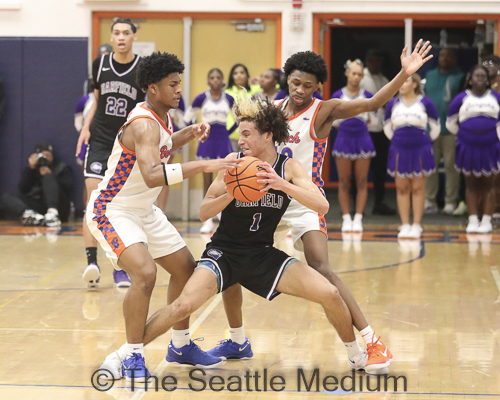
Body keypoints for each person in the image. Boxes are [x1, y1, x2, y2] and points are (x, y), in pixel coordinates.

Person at [102, 96, 378, 380]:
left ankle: (356, 355)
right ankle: (124, 353)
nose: (241, 140)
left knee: (330, 294)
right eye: (240, 134)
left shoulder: (288, 168)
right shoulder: (233, 164)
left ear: (268, 135)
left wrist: (281, 184)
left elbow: (322, 206)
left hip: (263, 254)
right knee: (182, 306)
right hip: (224, 253)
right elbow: (202, 212)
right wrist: (229, 195)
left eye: (247, 134)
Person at [209, 41, 433, 375]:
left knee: (321, 267)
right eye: (296, 82)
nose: (300, 90)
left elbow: (372, 102)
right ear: (287, 78)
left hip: (301, 200)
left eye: (308, 85)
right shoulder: (270, 109)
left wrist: (404, 73)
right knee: (230, 252)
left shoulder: (323, 110)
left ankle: (371, 341)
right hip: (266, 195)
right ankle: (237, 339)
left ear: (318, 87)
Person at [88, 52, 241, 381]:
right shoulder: (143, 123)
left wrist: (186, 134)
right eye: (172, 85)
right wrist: (202, 164)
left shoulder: (163, 118)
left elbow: (162, 146)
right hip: (113, 209)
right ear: (152, 88)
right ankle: (132, 355)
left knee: (186, 269)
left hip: (143, 210)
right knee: (144, 274)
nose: (178, 90)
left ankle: (181, 344)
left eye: (179, 84)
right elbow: (154, 174)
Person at [76, 18, 146, 288]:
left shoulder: (142, 68)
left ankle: (121, 267)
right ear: (112, 36)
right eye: (116, 33)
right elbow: (96, 100)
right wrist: (85, 128)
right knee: (94, 201)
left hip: (125, 145)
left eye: (126, 33)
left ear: (134, 36)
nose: (121, 37)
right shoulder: (101, 64)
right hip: (100, 141)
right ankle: (92, 263)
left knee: (118, 206)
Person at [384, 73, 440, 239]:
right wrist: (398, 140)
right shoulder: (392, 103)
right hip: (399, 148)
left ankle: (416, 224)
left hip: (420, 148)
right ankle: (405, 224)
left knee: (417, 188)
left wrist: (426, 141)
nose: (402, 84)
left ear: (415, 84)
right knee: (402, 188)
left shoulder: (426, 103)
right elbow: (387, 127)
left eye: (406, 80)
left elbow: (435, 127)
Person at [446, 65, 500, 233]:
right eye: (476, 76)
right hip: (468, 146)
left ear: (487, 80)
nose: (480, 79)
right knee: (471, 185)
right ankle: (472, 220)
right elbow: (450, 124)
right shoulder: (461, 98)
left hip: (491, 147)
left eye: (483, 76)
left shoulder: (496, 97)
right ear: (470, 79)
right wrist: (465, 135)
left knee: (488, 185)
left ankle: (486, 220)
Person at [184, 68, 236, 233]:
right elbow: (187, 118)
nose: (215, 80)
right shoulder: (201, 98)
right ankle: (207, 220)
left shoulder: (229, 98)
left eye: (218, 77)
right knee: (207, 180)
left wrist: (226, 133)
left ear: (222, 80)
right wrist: (196, 132)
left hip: (222, 141)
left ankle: (221, 214)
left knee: (224, 179)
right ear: (208, 80)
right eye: (212, 77)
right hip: (207, 141)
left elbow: (237, 120)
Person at [331, 59, 377, 232]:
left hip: (363, 139)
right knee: (343, 181)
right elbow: (333, 121)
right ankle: (346, 218)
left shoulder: (368, 96)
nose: (356, 77)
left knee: (362, 181)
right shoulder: (337, 96)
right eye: (353, 73)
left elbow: (373, 120)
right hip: (343, 139)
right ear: (347, 73)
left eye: (360, 74)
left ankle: (358, 217)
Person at [423, 48, 464, 214]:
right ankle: (430, 200)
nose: (445, 58)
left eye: (449, 55)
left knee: (451, 166)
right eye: (442, 55)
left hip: (451, 130)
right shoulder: (430, 76)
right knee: (429, 166)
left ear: (455, 58)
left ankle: (450, 201)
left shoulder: (460, 77)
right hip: (430, 128)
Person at [360, 49, 396, 216]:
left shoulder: (383, 79)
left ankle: (379, 203)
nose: (376, 64)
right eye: (373, 60)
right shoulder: (361, 78)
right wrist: (379, 102)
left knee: (379, 169)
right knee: (359, 170)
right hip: (364, 130)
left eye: (379, 61)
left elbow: (390, 100)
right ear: (367, 62)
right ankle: (357, 207)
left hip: (380, 130)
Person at [1, 142, 73, 226]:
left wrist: (51, 175)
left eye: (46, 155)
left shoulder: (61, 167)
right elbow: (23, 189)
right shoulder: (32, 169)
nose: (44, 158)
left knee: (48, 177)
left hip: (59, 205)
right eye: (41, 155)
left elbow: (68, 188)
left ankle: (53, 214)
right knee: (6, 196)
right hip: (39, 205)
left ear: (52, 156)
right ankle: (29, 215)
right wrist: (30, 169)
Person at [225, 63, 262, 151]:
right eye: (235, 73)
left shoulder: (255, 90)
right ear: (231, 76)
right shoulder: (226, 93)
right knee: (231, 162)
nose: (239, 75)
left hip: (251, 135)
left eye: (242, 73)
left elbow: (276, 87)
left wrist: (259, 81)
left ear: (247, 76)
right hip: (231, 135)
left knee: (248, 163)